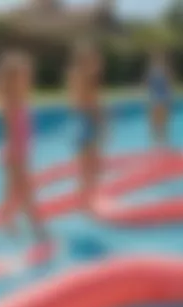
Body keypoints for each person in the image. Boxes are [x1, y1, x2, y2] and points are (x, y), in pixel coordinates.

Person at [0, 51, 51, 254]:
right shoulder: (10, 104)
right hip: (16, 157)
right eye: (23, 77)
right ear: (12, 80)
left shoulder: (21, 99)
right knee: (26, 193)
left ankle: (7, 224)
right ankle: (38, 230)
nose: (28, 80)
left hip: (21, 155)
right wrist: (16, 160)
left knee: (12, 193)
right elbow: (10, 135)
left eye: (28, 76)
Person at [67, 41, 103, 212]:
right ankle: (86, 201)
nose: (95, 62)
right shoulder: (83, 76)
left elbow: (84, 101)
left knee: (90, 164)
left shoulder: (79, 75)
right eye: (91, 58)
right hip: (85, 120)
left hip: (84, 120)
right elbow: (89, 102)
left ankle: (87, 199)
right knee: (88, 164)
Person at [146, 49, 173, 147]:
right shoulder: (153, 71)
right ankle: (157, 138)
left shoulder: (164, 71)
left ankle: (161, 138)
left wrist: (169, 97)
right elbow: (150, 85)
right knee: (156, 118)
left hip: (161, 96)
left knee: (162, 118)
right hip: (156, 97)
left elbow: (167, 85)